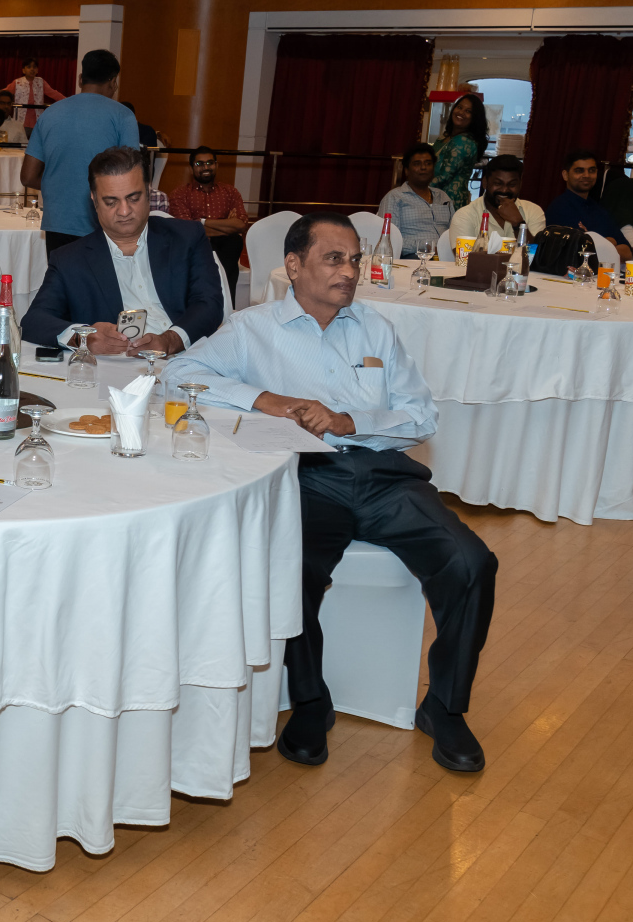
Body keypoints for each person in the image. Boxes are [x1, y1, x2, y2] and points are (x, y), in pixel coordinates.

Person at [162, 211, 494, 775]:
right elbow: (177, 374)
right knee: (292, 569)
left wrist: (349, 421)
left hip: (384, 475)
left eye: (355, 260)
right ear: (293, 266)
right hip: (306, 476)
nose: (349, 272)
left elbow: (420, 417)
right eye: (334, 259)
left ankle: (444, 707)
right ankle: (312, 701)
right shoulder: (252, 328)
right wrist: (265, 400)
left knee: (471, 562)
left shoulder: (375, 329)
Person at [21, 146, 221, 356]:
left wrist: (171, 341)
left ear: (149, 191)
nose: (124, 211)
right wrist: (83, 338)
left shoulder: (187, 237)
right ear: (94, 200)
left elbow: (209, 303)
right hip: (119, 365)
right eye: (111, 202)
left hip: (188, 356)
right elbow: (34, 321)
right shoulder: (69, 260)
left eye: (133, 198)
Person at [22, 49, 141, 255]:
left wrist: (62, 186)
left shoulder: (49, 114)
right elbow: (132, 176)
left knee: (63, 276)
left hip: (57, 223)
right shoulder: (123, 115)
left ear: (80, 79)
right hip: (105, 223)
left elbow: (28, 176)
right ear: (113, 82)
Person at [546, 149, 633, 262]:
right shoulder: (560, 208)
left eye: (592, 170)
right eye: (579, 171)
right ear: (565, 175)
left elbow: (627, 252)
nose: (587, 175)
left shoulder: (599, 209)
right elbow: (577, 254)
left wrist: (602, 245)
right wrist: (609, 243)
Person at [169, 146, 250, 282]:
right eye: (199, 164)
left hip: (226, 246)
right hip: (195, 245)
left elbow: (241, 224)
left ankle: (225, 294)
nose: (206, 167)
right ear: (191, 168)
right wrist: (227, 226)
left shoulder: (230, 192)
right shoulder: (180, 194)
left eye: (210, 163)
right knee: (196, 240)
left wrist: (202, 222)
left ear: (216, 165)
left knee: (234, 241)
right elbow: (188, 229)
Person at [447, 155, 545, 248]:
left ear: (520, 184)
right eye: (498, 184)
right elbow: (464, 257)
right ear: (485, 182)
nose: (504, 190)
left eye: (512, 185)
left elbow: (538, 255)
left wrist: (518, 224)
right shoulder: (465, 215)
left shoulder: (533, 211)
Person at [376, 143, 452, 257]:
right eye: (417, 164)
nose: (423, 167)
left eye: (428, 163)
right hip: (413, 256)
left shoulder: (443, 196)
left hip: (446, 257)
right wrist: (426, 247)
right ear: (406, 170)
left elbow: (455, 231)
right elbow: (389, 238)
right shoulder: (395, 197)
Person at [431, 93, 487, 210]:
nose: (461, 112)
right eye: (459, 107)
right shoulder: (446, 136)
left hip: (447, 202)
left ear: (475, 118)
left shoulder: (462, 142)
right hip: (435, 196)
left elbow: (444, 176)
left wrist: (416, 189)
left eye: (468, 111)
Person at [0, 58, 65, 133]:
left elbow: (54, 94)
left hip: (37, 121)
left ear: (37, 70)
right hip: (21, 121)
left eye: (34, 67)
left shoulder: (41, 82)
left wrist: (68, 101)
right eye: (29, 67)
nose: (32, 69)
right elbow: (1, 93)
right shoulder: (17, 83)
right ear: (23, 70)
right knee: (21, 142)